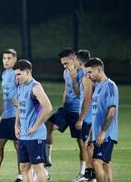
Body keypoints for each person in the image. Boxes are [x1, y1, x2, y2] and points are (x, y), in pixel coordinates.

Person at [45, 48, 85, 180]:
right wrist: (63, 104)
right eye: (62, 64)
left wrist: (74, 79)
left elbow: (79, 93)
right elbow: (66, 89)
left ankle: (83, 172)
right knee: (48, 124)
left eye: (66, 63)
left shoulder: (83, 73)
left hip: (78, 112)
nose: (64, 66)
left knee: (81, 143)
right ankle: (47, 159)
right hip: (66, 110)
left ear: (73, 60)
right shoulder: (65, 72)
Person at [0, 49, 22, 182]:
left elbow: (26, 89)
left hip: (16, 115)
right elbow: (4, 96)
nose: (6, 61)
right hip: (6, 116)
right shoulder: (4, 73)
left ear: (14, 60)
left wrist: (21, 104)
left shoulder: (17, 73)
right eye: (4, 58)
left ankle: (21, 176)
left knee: (18, 146)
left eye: (9, 58)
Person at [13, 59, 53, 182]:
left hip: (36, 135)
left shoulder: (35, 87)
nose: (17, 78)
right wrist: (16, 125)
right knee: (24, 167)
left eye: (19, 74)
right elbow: (20, 106)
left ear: (28, 72)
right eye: (15, 75)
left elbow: (48, 108)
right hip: (24, 135)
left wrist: (35, 126)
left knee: (38, 166)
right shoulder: (20, 87)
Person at [85, 58, 118, 182]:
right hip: (97, 133)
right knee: (105, 164)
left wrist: (103, 132)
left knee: (97, 162)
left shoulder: (109, 86)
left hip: (107, 134)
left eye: (90, 72)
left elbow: (111, 112)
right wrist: (91, 134)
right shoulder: (97, 87)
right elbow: (95, 114)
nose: (88, 76)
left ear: (99, 70)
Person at [74, 50, 95, 181]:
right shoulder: (88, 74)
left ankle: (90, 173)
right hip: (89, 116)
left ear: (79, 61)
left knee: (88, 145)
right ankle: (89, 173)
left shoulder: (87, 77)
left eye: (75, 59)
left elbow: (88, 99)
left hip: (89, 117)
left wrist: (81, 118)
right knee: (86, 144)